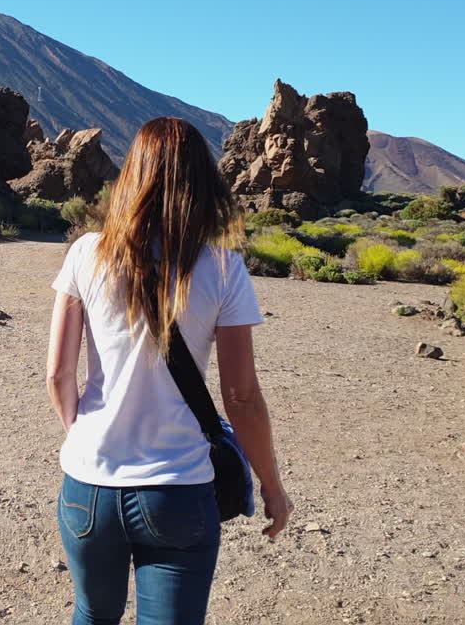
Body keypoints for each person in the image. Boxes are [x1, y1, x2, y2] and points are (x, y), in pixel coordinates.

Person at [45, 116, 292, 624]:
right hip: (178, 492)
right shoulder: (223, 268)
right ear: (202, 181)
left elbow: (58, 375)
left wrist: (86, 437)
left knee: (92, 614)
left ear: (132, 174)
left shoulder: (86, 254)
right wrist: (271, 485)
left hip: (88, 489)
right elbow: (241, 397)